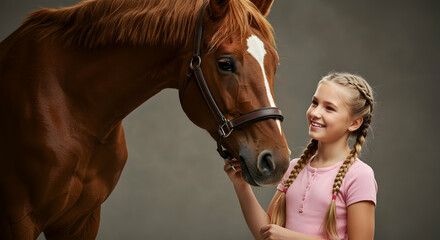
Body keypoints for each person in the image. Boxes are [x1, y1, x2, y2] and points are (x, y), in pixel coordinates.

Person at [224, 72, 377, 240]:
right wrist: (241, 185)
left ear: (354, 123)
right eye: (315, 103)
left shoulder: (359, 175)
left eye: (329, 108)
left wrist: (290, 238)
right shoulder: (295, 168)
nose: (315, 113)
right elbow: (267, 234)